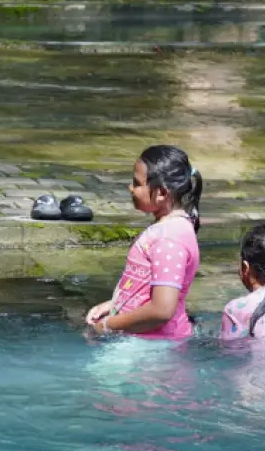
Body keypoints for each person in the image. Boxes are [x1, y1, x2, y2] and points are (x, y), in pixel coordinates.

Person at [86, 145, 202, 340]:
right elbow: (144, 288)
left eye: (136, 183)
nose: (130, 188)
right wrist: (114, 305)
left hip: (153, 346)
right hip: (144, 339)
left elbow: (162, 310)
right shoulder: (165, 229)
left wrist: (108, 325)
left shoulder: (169, 239)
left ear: (162, 193)